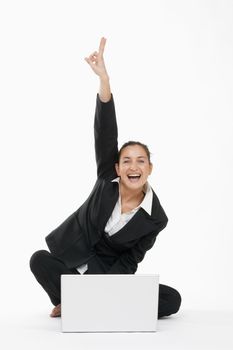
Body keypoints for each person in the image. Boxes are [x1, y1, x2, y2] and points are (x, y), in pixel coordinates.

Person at [30, 37, 182, 319]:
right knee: (39, 260)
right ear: (117, 168)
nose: (133, 166)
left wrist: (110, 287)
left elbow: (131, 259)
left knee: (172, 300)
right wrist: (104, 80)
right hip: (76, 262)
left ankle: (83, 303)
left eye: (140, 161)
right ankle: (88, 302)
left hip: (110, 275)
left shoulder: (157, 218)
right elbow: (105, 131)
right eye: (126, 160)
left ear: (149, 169)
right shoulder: (105, 179)